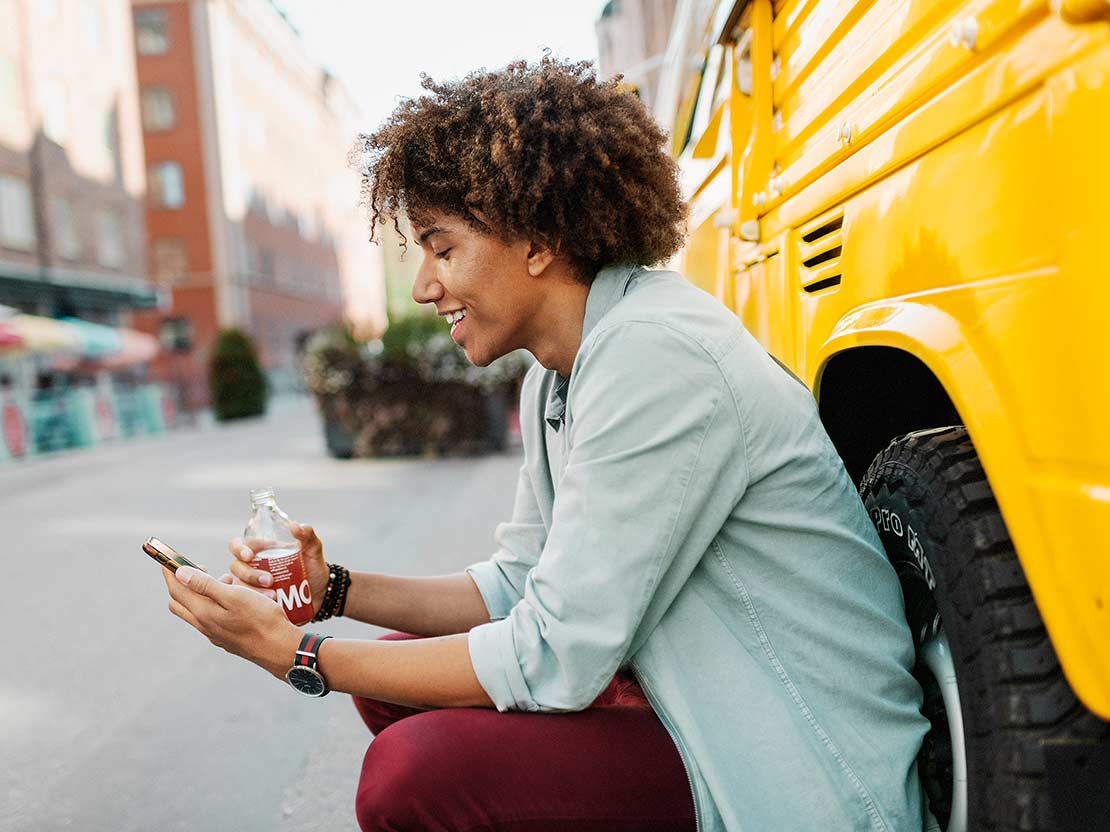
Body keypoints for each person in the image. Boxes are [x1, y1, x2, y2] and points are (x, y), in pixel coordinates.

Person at [162, 57, 936, 832]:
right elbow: (519, 583)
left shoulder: (653, 354)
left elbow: (554, 654)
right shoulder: (559, 375)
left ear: (537, 240)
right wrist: (335, 589)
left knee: (412, 773)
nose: (426, 286)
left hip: (799, 772)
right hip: (697, 712)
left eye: (442, 248)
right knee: (395, 674)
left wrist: (299, 656)